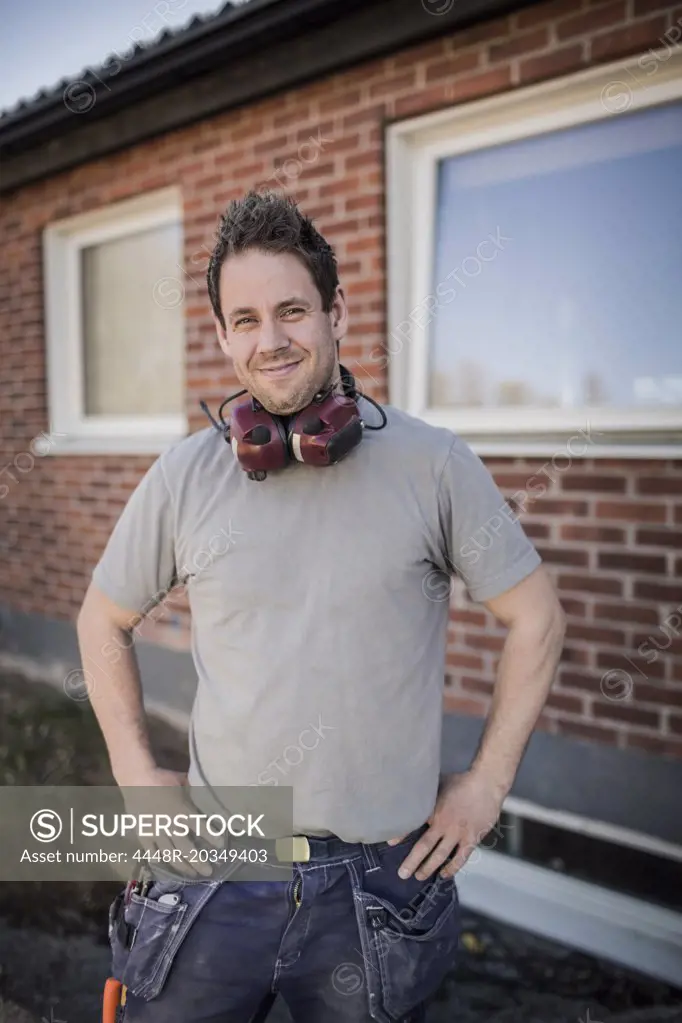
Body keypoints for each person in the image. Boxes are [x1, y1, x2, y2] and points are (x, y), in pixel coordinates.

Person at [77, 190, 566, 1023]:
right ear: (224, 335)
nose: (271, 339)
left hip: (375, 888)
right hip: (215, 872)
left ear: (336, 310)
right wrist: (133, 771)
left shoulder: (433, 464)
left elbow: (537, 617)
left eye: (293, 310)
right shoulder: (185, 476)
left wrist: (487, 784)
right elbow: (101, 619)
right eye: (246, 319)